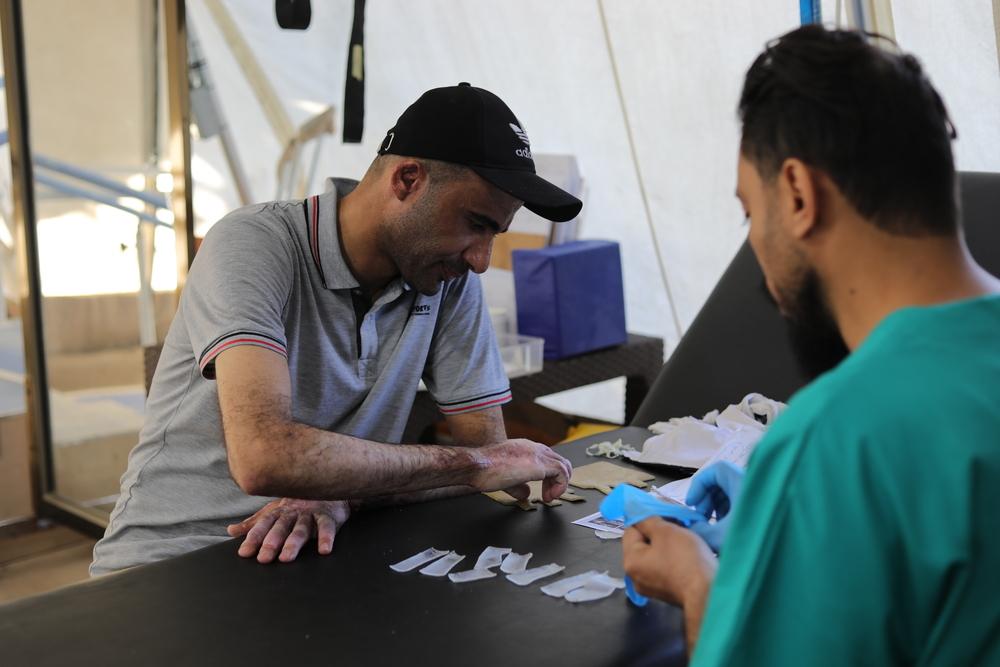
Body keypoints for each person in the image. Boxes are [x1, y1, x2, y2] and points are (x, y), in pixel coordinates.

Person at [622, 25, 1000, 665]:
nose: (759, 256)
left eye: (751, 213)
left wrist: (698, 586)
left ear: (797, 193)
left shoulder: (839, 438)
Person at [91, 83, 581, 576]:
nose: (480, 261)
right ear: (407, 180)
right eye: (476, 222)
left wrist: (346, 494)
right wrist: (475, 467)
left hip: (323, 553)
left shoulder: (445, 278)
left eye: (495, 232)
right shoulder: (254, 244)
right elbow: (265, 457)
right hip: (176, 560)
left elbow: (486, 454)